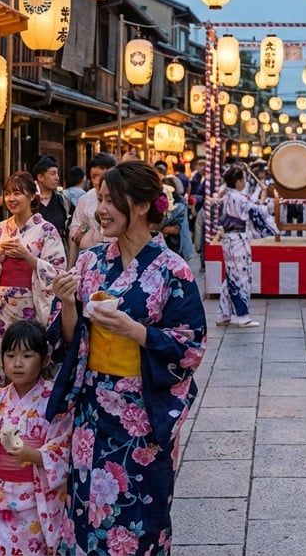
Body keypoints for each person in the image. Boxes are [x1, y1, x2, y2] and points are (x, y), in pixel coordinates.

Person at [44, 159, 206, 554]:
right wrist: (67, 304)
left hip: (141, 412)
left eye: (110, 200)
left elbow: (190, 345)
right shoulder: (90, 261)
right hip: (93, 409)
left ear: (141, 206)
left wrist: (133, 330)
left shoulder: (173, 270)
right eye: (99, 199)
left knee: (140, 513)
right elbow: (68, 340)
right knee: (86, 509)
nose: (100, 210)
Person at [0, 320, 70, 556]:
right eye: (10, 355)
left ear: (44, 359)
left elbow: (64, 446)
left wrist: (32, 455)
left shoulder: (54, 400)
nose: (18, 363)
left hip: (35, 497)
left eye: (27, 355)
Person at [0, 171, 67, 385]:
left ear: (32, 196)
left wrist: (28, 257)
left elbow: (58, 271)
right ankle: (0, 407)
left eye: (18, 193)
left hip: (32, 305)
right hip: (1, 306)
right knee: (2, 353)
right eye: (8, 193)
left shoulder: (46, 230)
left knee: (30, 353)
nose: (11, 199)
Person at [217, 166, 272, 328]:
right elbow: (257, 211)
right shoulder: (237, 198)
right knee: (240, 277)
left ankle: (224, 314)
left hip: (230, 239)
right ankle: (242, 315)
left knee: (231, 277)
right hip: (237, 241)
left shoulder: (228, 195)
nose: (246, 181)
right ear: (239, 181)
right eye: (244, 178)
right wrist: (268, 202)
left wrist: (261, 195)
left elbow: (249, 202)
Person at [68, 152, 117, 269]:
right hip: (90, 259)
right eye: (93, 176)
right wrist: (70, 267)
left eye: (100, 176)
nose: (96, 181)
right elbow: (75, 231)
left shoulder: (122, 200)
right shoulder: (85, 200)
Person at [33, 156, 70, 237]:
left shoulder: (62, 200)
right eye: (53, 174)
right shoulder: (30, 201)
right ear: (40, 177)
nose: (57, 178)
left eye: (57, 174)